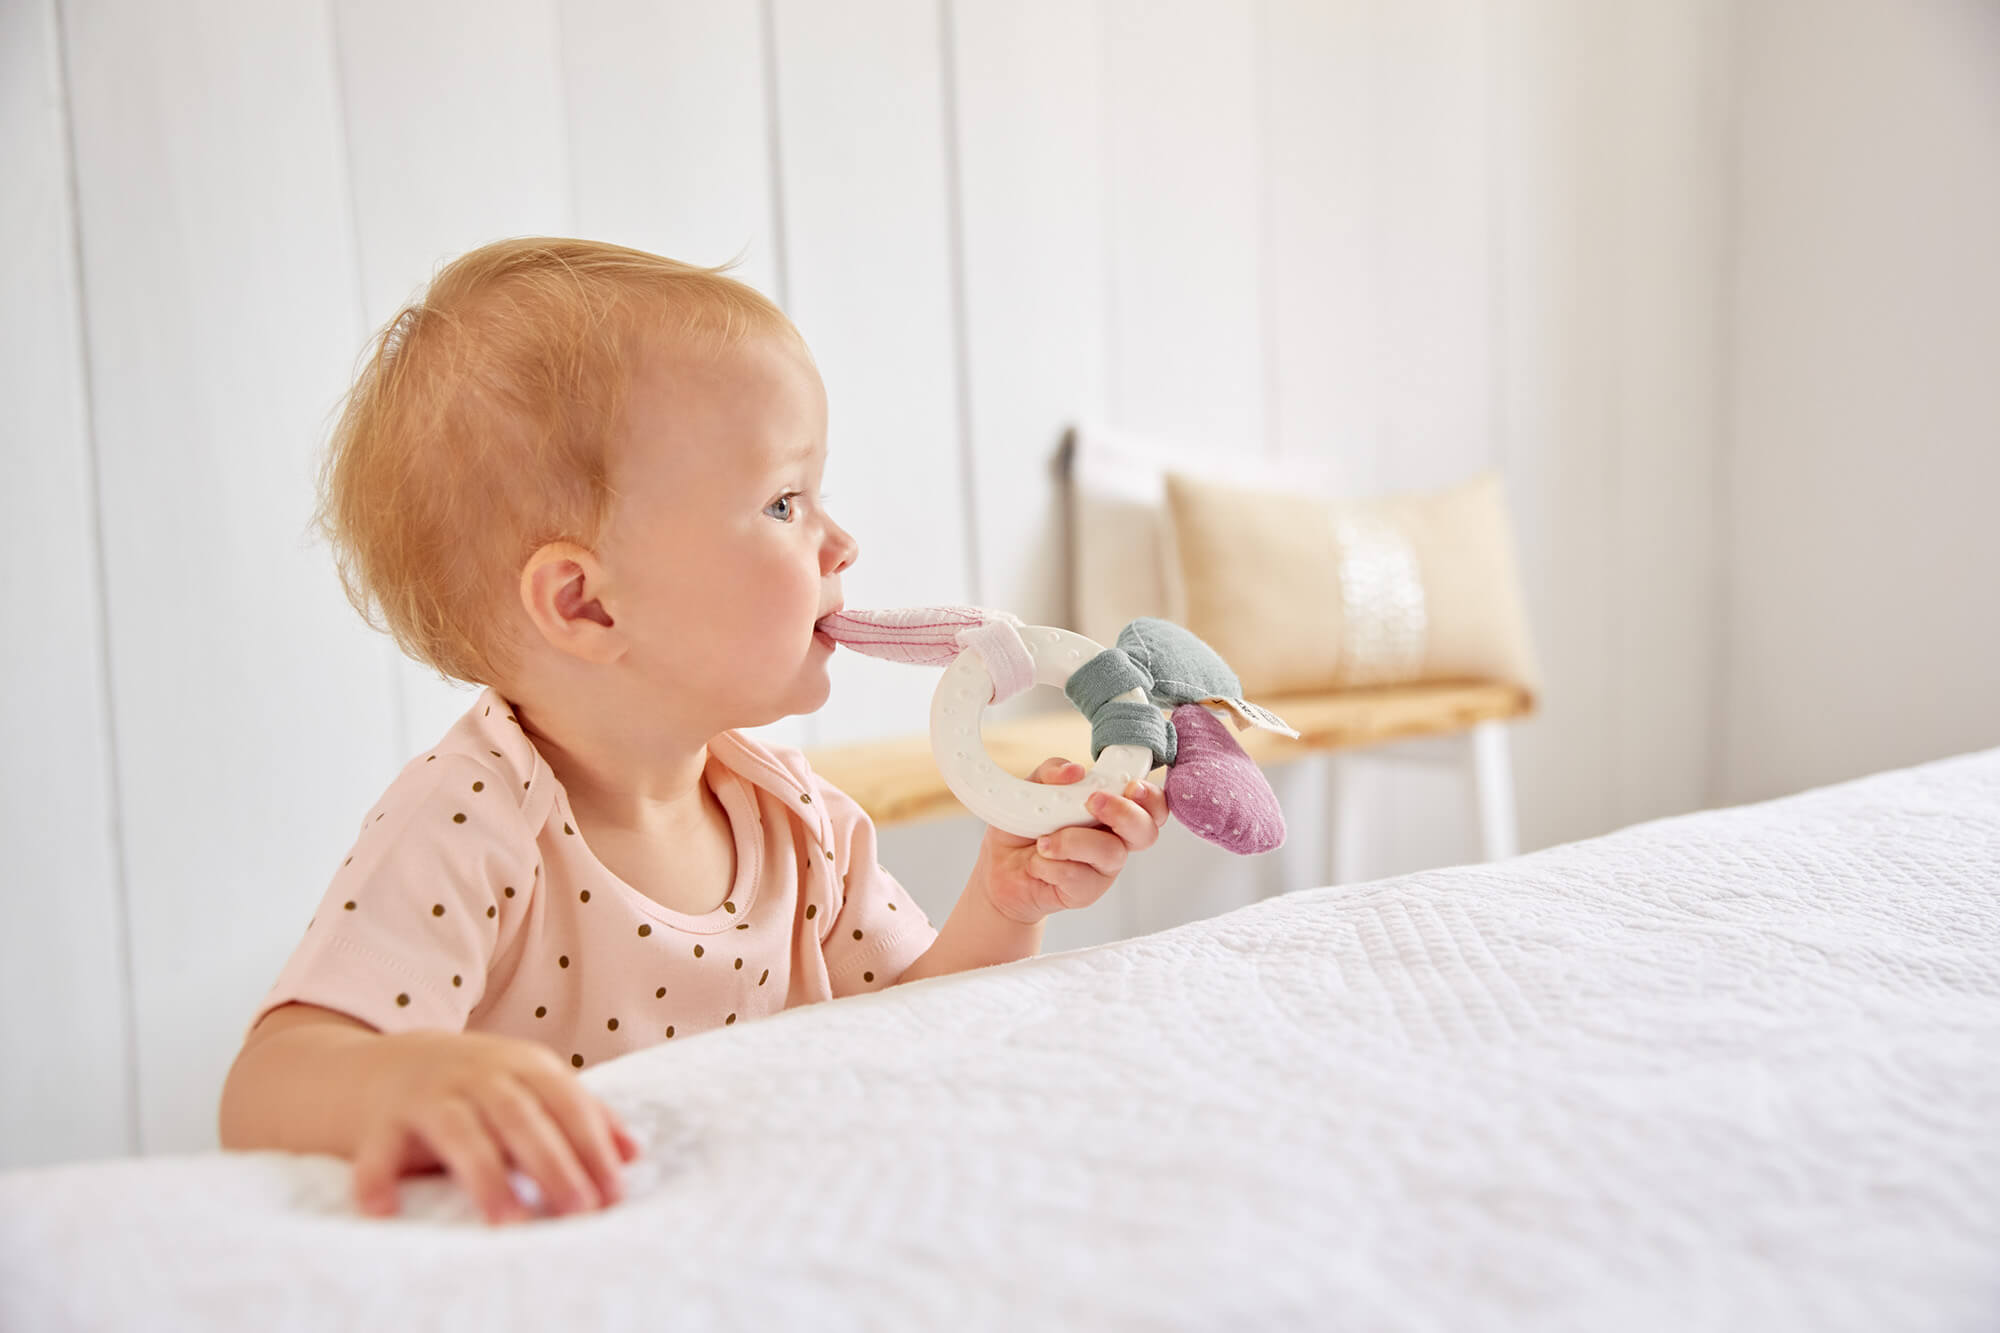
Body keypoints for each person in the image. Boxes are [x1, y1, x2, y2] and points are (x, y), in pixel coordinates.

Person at [216, 238, 1169, 1226]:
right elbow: (269, 1080)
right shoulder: (470, 824)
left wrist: (1003, 900)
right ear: (586, 603)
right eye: (784, 501)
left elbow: (914, 1028)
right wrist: (399, 1084)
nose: (841, 543)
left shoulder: (800, 820)